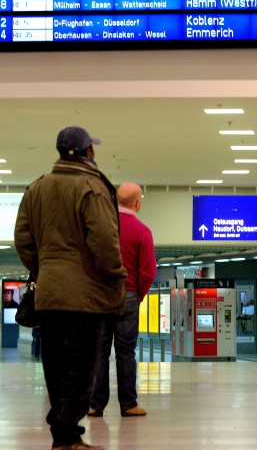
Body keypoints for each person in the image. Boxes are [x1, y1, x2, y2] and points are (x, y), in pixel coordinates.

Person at [15, 126, 126, 450]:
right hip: (85, 297)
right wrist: (114, 276)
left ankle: (63, 435)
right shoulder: (91, 186)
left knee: (56, 365)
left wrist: (43, 268)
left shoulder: (36, 188)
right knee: (81, 368)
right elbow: (105, 242)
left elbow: (23, 238)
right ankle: (67, 437)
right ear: (88, 152)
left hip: (50, 294)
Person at [89, 182, 156, 418]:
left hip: (101, 297)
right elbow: (148, 271)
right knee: (126, 352)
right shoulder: (142, 231)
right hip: (128, 295)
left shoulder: (99, 229)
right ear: (137, 203)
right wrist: (137, 295)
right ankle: (128, 404)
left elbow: (89, 263)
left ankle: (96, 405)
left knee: (100, 352)